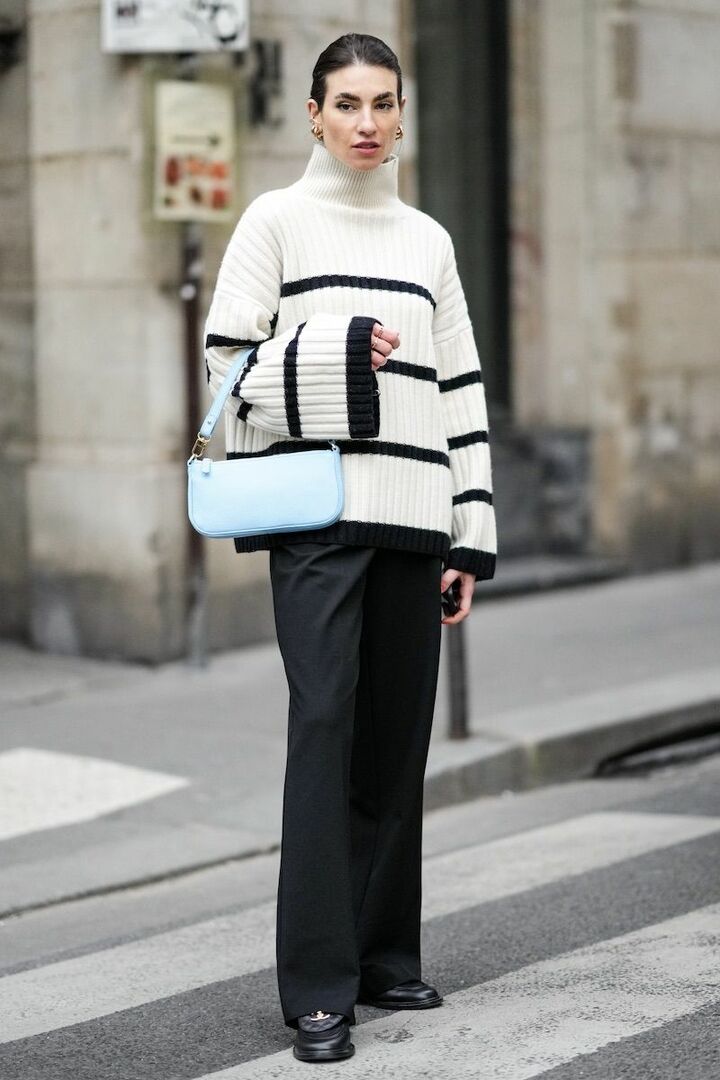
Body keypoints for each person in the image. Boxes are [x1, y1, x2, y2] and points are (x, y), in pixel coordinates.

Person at [204, 32, 497, 1064]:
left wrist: (470, 534)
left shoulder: (430, 240)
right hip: (317, 522)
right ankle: (320, 990)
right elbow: (225, 366)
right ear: (315, 115)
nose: (367, 122)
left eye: (383, 102)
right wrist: (337, 353)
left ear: (403, 112)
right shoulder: (274, 221)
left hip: (416, 520)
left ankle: (383, 956)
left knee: (394, 743)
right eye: (347, 104)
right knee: (324, 732)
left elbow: (460, 392)